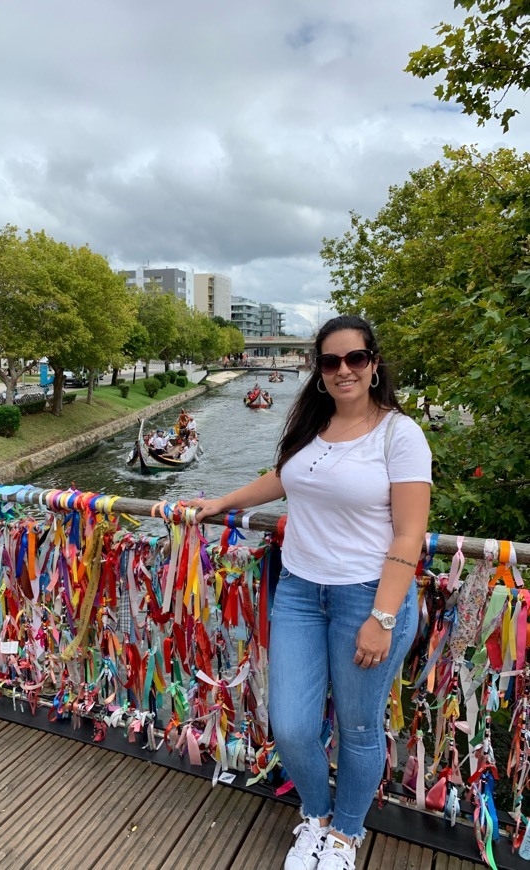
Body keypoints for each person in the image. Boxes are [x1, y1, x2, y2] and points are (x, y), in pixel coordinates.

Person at [187, 315, 431, 870]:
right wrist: (222, 503)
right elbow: (284, 479)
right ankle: (316, 818)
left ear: (373, 365)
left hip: (367, 598)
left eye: (355, 359)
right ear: (318, 371)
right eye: (330, 361)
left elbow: (409, 533)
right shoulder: (312, 426)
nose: (343, 370)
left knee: (359, 726)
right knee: (292, 725)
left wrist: (384, 616)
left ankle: (345, 837)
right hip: (299, 591)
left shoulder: (400, 433)